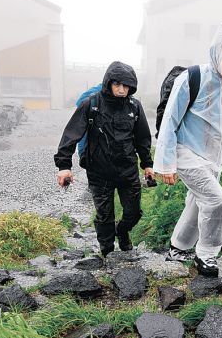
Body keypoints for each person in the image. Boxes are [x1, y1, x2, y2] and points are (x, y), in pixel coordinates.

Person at [153, 19, 222, 277]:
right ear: (219, 53)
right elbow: (170, 121)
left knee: (199, 203)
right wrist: (165, 164)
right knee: (216, 200)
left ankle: (178, 247)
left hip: (214, 159)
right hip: (186, 153)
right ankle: (206, 255)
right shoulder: (192, 78)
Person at [54, 61, 154, 257]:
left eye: (126, 86)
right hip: (99, 171)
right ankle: (107, 253)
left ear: (131, 87)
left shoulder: (135, 106)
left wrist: (147, 164)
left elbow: (143, 137)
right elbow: (71, 134)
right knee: (104, 216)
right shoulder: (91, 104)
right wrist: (64, 166)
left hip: (128, 170)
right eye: (117, 84)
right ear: (108, 83)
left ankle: (123, 231)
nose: (121, 89)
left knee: (133, 213)